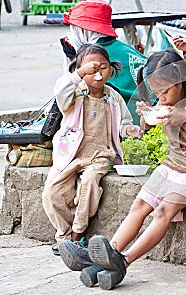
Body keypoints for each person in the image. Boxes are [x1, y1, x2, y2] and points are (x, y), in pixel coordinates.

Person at [58, 49, 186, 290]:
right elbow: (146, 127)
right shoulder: (164, 99)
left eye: (165, 91)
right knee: (139, 206)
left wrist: (185, 117)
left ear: (180, 80)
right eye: (156, 92)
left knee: (162, 211)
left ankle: (123, 261)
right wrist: (146, 115)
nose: (162, 97)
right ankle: (107, 257)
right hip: (173, 164)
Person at [42, 44, 143, 256]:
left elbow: (122, 124)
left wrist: (130, 129)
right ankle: (64, 234)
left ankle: (77, 235)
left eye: (103, 68)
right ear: (79, 70)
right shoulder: (73, 94)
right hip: (70, 153)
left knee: (89, 186)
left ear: (111, 69)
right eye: (90, 69)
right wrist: (79, 74)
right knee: (52, 193)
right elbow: (60, 89)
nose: (97, 74)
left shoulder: (113, 97)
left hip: (100, 154)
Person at [61, 0, 147, 125]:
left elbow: (69, 95)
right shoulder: (124, 48)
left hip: (130, 122)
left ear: (82, 30)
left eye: (74, 28)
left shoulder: (91, 58)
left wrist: (73, 59)